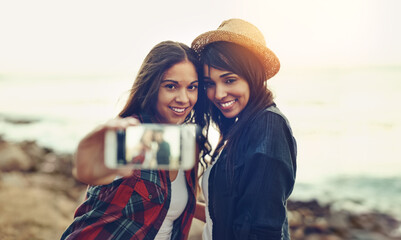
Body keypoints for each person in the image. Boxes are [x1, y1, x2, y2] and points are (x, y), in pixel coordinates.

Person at [60, 40, 210, 240]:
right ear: (151, 86)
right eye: (171, 86)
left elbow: (167, 201)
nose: (184, 98)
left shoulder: (181, 142)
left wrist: (219, 215)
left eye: (192, 87)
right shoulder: (135, 133)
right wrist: (87, 162)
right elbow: (93, 174)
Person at [192, 19, 297, 239]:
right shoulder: (242, 126)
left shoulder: (268, 126)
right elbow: (227, 215)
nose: (218, 94)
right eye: (210, 83)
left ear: (253, 77)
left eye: (229, 80)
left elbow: (262, 229)